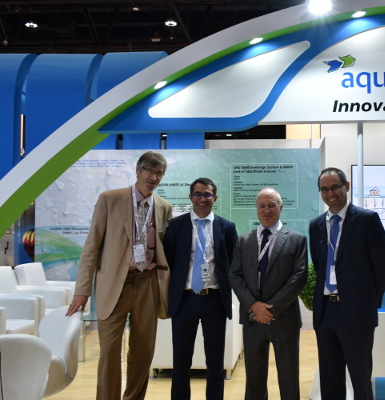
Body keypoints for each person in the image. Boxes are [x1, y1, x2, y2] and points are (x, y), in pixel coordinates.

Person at [66, 151, 172, 400]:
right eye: (150, 171)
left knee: (143, 353)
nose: (154, 178)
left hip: (148, 283)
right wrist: (82, 290)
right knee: (109, 352)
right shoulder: (110, 199)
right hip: (114, 284)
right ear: (138, 170)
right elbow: (91, 247)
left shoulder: (164, 208)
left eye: (159, 174)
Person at [309, 167, 385, 400]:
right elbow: (319, 266)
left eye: (335, 187)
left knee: (360, 379)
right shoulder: (316, 225)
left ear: (346, 186)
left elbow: (381, 267)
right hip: (326, 311)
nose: (330, 194)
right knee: (330, 380)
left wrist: (368, 303)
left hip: (357, 313)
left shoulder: (367, 220)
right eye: (324, 189)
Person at [229, 187, 307, 400]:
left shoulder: (297, 239)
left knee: (289, 377)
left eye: (272, 205)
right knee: (254, 377)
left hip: (284, 319)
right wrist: (253, 306)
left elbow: (299, 277)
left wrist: (271, 309)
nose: (266, 210)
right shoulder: (244, 240)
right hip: (253, 320)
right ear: (256, 208)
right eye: (262, 205)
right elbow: (235, 275)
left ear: (281, 207)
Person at [164, 177, 238, 400]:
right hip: (184, 300)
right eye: (197, 194)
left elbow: (233, 264)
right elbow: (169, 261)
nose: (202, 199)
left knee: (215, 363)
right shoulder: (176, 226)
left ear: (215, 198)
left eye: (207, 194)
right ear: (190, 197)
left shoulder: (227, 227)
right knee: (181, 363)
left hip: (214, 301)